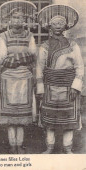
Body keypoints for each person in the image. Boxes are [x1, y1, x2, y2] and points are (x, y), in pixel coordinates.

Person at [37, 5, 84, 154]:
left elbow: (80, 66)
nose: (58, 26)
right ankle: (49, 147)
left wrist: (76, 87)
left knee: (69, 120)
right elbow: (39, 68)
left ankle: (67, 148)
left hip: (68, 87)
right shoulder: (44, 46)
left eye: (61, 23)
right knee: (50, 120)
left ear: (65, 26)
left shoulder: (73, 45)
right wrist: (40, 88)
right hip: (50, 87)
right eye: (55, 23)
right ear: (49, 26)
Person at [0, 0, 37, 154]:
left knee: (22, 113)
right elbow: (1, 58)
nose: (18, 20)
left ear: (24, 20)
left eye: (20, 18)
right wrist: (22, 57)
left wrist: (15, 58)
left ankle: (20, 143)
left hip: (25, 76)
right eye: (15, 18)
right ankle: (12, 144)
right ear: (9, 20)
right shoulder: (4, 36)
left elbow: (33, 55)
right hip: (9, 77)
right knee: (10, 114)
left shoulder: (30, 35)